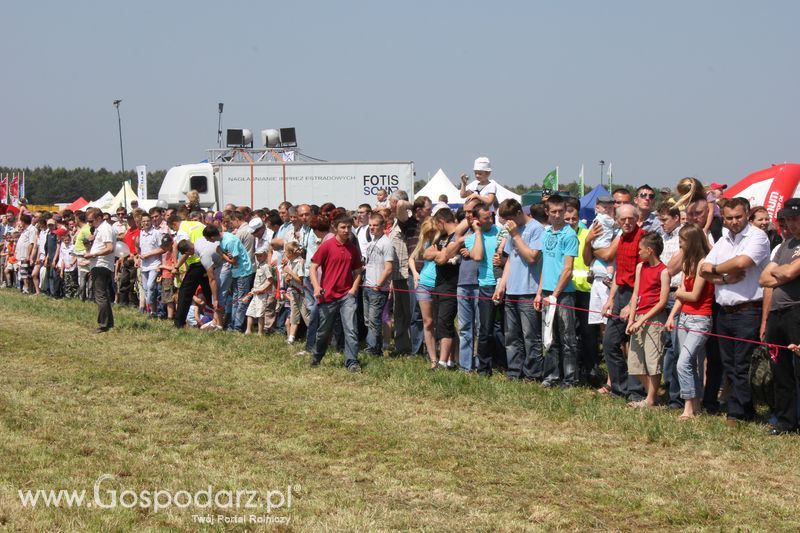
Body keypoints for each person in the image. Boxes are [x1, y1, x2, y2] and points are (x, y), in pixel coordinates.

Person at [700, 197, 771, 426]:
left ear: (747, 214)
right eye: (729, 218)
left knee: (742, 364)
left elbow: (742, 262)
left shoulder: (757, 237)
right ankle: (745, 409)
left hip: (748, 310)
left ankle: (736, 413)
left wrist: (717, 270)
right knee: (729, 364)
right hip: (724, 311)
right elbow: (703, 269)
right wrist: (723, 277)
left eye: (738, 216)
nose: (733, 221)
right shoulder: (723, 240)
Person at [590, 204, 647, 400]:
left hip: (637, 295)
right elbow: (618, 272)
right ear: (617, 220)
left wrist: (631, 304)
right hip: (620, 292)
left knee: (635, 347)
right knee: (609, 342)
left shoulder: (643, 238)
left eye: (631, 218)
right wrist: (611, 300)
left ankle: (636, 392)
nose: (627, 222)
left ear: (637, 218)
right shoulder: (620, 238)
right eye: (623, 219)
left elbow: (642, 276)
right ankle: (620, 387)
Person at [759, 197, 800, 435]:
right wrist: (781, 273)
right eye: (788, 219)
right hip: (777, 313)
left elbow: (792, 271)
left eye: (795, 219)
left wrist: (782, 272)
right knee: (780, 370)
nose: (791, 224)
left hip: (796, 311)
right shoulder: (785, 245)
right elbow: (764, 279)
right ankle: (786, 421)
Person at [665, 224, 714, 420]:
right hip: (684, 317)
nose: (680, 246)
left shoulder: (703, 264)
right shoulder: (688, 263)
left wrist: (677, 291)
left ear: (691, 242)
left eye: (682, 242)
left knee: (683, 363)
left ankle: (688, 408)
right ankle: (695, 406)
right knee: (689, 363)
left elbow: (693, 295)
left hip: (700, 319)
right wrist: (671, 316)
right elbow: (683, 298)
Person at [493, 199, 544, 381]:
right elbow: (510, 261)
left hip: (529, 291)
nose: (506, 224)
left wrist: (515, 235)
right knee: (511, 336)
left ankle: (533, 374)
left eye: (508, 219)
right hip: (512, 291)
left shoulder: (536, 229)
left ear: (518, 213)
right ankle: (514, 371)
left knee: (531, 336)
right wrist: (501, 286)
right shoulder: (511, 230)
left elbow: (532, 257)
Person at [309, 214, 363, 371]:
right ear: (335, 228)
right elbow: (313, 267)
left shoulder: (353, 249)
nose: (347, 231)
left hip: (347, 296)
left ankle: (352, 362)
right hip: (328, 296)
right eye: (343, 227)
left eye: (349, 227)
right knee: (323, 332)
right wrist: (316, 287)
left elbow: (358, 271)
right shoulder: (327, 245)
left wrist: (353, 289)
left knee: (351, 329)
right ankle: (317, 356)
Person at [535, 195, 579, 387]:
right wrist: (540, 292)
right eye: (554, 211)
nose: (558, 215)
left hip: (563, 294)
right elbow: (545, 266)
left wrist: (555, 294)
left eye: (561, 211)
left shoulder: (569, 235)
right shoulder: (546, 234)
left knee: (567, 337)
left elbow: (567, 269)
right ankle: (552, 375)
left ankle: (570, 378)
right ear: (547, 212)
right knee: (549, 336)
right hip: (546, 292)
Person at [625, 231, 670, 407]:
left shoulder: (663, 271)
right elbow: (636, 293)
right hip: (637, 317)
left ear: (650, 250)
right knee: (634, 360)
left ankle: (650, 399)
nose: (638, 252)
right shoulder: (640, 267)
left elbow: (663, 301)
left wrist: (642, 320)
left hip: (654, 319)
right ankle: (652, 395)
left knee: (653, 361)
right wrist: (631, 318)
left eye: (641, 249)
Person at [466, 203, 501, 375]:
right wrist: (478, 232)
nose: (491, 220)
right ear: (476, 220)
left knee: (504, 328)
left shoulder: (500, 231)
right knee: (486, 329)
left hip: (503, 283)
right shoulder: (472, 238)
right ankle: (484, 367)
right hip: (486, 285)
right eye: (486, 218)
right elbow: (478, 256)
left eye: (491, 216)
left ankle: (504, 363)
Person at [432, 208, 466, 370]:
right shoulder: (442, 237)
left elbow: (441, 258)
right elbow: (427, 253)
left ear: (441, 222)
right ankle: (452, 359)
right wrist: (440, 255)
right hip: (439, 284)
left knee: (444, 322)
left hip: (451, 286)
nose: (436, 229)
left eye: (436, 225)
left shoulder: (457, 237)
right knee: (443, 323)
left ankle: (443, 362)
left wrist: (441, 255)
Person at [361, 213, 396, 356]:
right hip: (367, 286)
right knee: (368, 320)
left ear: (383, 226)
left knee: (374, 320)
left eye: (375, 225)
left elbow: (388, 268)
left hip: (378, 288)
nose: (372, 228)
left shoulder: (386, 243)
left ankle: (372, 350)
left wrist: (378, 284)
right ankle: (377, 348)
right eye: (370, 225)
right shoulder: (371, 242)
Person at [409, 218, 441, 370]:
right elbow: (411, 258)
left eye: (432, 232)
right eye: (428, 233)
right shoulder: (424, 241)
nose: (431, 235)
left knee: (443, 322)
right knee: (428, 322)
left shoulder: (441, 240)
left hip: (441, 284)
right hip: (424, 283)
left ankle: (451, 356)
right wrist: (415, 273)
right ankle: (433, 359)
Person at [83, 208, 117, 333]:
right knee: (103, 295)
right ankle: (108, 322)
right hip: (98, 264)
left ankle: (103, 324)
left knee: (100, 296)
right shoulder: (100, 229)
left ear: (99, 218)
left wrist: (94, 254)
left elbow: (110, 248)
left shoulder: (105, 228)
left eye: (91, 221)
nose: (89, 224)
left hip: (101, 264)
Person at [244, 243, 277, 335]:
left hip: (262, 295)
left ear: (266, 255)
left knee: (260, 314)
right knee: (250, 312)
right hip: (255, 293)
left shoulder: (266, 266)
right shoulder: (259, 266)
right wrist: (252, 291)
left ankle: (260, 332)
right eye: (257, 256)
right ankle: (248, 330)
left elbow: (270, 280)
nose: (258, 258)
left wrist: (262, 289)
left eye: (260, 255)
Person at [282, 242, 305, 345]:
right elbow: (291, 278)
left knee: (305, 315)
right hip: (293, 292)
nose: (285, 253)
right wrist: (288, 278)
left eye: (286, 251)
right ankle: (291, 338)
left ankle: (314, 336)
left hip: (301, 293)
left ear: (291, 252)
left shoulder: (299, 263)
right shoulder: (290, 262)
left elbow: (300, 280)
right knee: (294, 316)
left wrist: (290, 272)